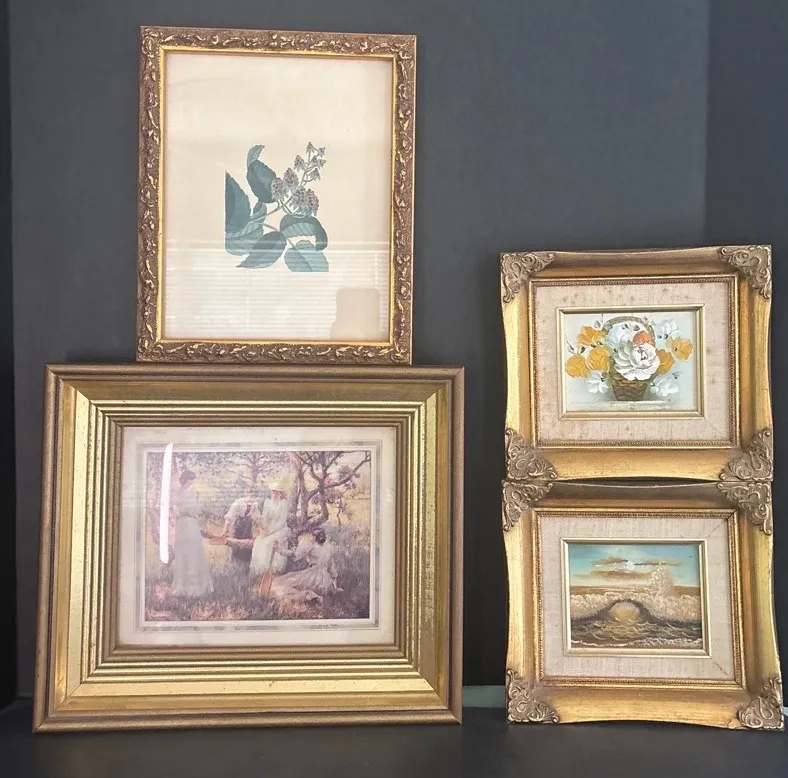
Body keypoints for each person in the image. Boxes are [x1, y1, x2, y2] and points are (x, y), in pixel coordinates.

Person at [171, 470, 213, 597]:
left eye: (191, 481)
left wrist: (185, 511)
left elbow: (194, 510)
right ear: (183, 480)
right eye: (189, 480)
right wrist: (178, 511)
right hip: (182, 525)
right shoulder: (176, 493)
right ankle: (182, 585)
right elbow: (176, 509)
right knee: (182, 552)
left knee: (193, 552)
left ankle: (195, 586)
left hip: (190, 524)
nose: (190, 483)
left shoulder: (193, 493)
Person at [269, 528, 339, 604]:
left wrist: (279, 549)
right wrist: (334, 587)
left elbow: (294, 554)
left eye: (312, 536)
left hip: (313, 576)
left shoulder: (310, 546)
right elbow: (333, 572)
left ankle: (310, 596)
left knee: (282, 582)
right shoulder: (327, 550)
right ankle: (314, 596)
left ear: (314, 537)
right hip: (326, 581)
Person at [249, 480, 290, 578]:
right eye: (273, 492)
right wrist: (263, 528)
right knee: (258, 542)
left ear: (280, 493)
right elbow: (264, 517)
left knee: (268, 543)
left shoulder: (283, 503)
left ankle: (273, 570)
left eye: (277, 492)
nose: (275, 494)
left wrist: (271, 531)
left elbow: (282, 521)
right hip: (268, 529)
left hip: (279, 529)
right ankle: (259, 571)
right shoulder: (268, 502)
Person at [222, 485, 262, 574]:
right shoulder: (237, 503)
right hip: (237, 527)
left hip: (247, 528)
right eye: (248, 495)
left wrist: (261, 529)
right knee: (235, 547)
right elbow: (228, 518)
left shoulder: (254, 505)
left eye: (252, 496)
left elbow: (257, 518)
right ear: (245, 494)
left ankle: (245, 571)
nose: (250, 498)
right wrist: (225, 531)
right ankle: (234, 570)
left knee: (247, 547)